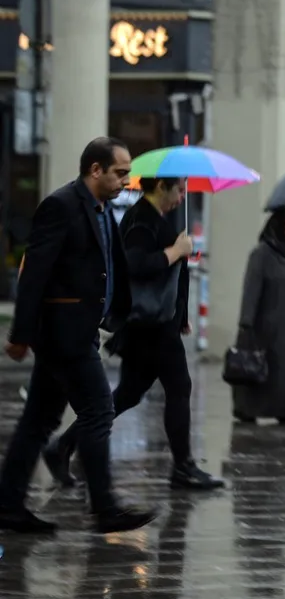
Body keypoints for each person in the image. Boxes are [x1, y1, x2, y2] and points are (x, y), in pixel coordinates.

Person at [0, 137, 156, 533]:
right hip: (61, 332)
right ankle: (104, 507)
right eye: (121, 172)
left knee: (39, 418)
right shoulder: (61, 206)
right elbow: (34, 272)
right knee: (98, 409)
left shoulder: (102, 209)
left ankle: (8, 505)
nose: (127, 179)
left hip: (80, 330)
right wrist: (20, 333)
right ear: (95, 170)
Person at [43, 176, 223, 490]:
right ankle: (183, 467)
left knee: (127, 393)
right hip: (150, 325)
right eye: (178, 190)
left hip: (155, 323)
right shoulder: (142, 221)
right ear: (160, 187)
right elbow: (135, 265)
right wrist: (175, 250)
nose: (182, 197)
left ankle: (63, 447)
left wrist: (180, 316)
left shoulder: (153, 219)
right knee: (179, 387)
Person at [233, 209, 285, 424]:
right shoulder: (262, 254)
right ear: (278, 226)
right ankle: (252, 408)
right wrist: (246, 323)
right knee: (269, 370)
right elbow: (251, 289)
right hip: (268, 326)